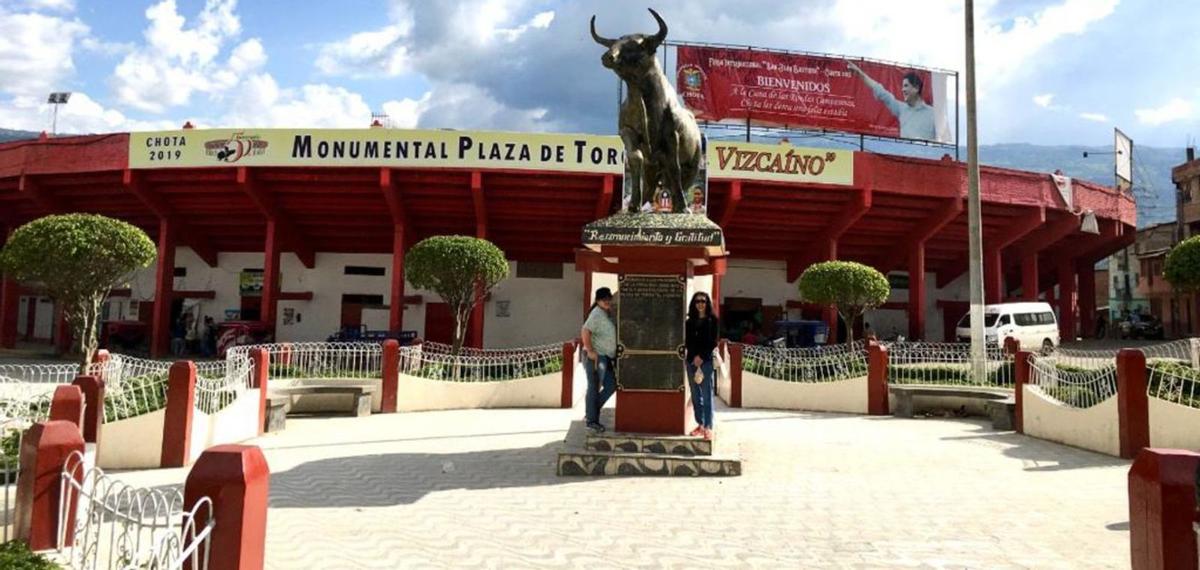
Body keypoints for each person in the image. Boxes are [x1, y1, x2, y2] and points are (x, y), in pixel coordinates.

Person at [847, 62, 946, 142]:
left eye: (906, 86)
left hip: (924, 161)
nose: (903, 90)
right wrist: (860, 73)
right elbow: (881, 92)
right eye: (902, 86)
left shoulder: (933, 114)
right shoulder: (901, 109)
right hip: (903, 159)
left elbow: (941, 140)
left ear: (916, 88)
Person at [581, 287, 617, 432]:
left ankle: (592, 410)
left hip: (606, 356)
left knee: (611, 385)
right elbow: (585, 331)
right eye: (604, 299)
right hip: (597, 357)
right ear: (597, 301)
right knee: (594, 387)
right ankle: (592, 420)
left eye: (608, 298)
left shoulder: (606, 313)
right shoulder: (596, 314)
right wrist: (590, 350)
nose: (607, 301)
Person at [685, 291, 719, 440]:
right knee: (695, 395)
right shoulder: (689, 322)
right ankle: (700, 424)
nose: (700, 304)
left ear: (707, 303)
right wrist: (693, 357)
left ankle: (708, 427)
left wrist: (701, 357)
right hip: (691, 361)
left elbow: (712, 342)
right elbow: (688, 342)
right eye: (698, 301)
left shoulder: (712, 321)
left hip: (705, 362)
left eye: (703, 301)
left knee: (706, 395)